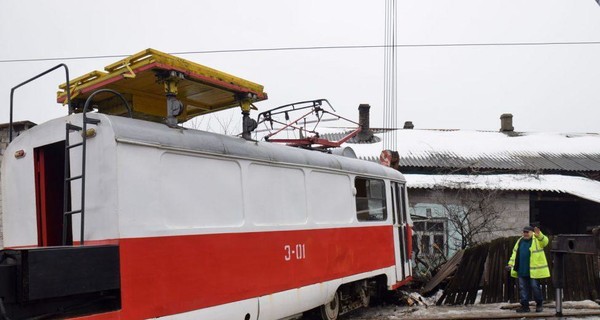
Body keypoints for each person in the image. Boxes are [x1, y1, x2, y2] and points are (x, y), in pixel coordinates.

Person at [507, 225, 550, 313]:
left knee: (535, 287)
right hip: (521, 270)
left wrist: (540, 235)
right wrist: (510, 264)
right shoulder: (520, 241)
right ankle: (525, 306)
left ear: (532, 232)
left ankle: (539, 304)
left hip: (533, 271)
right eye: (524, 232)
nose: (525, 234)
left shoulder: (537, 240)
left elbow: (545, 242)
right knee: (523, 289)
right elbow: (514, 253)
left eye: (527, 232)